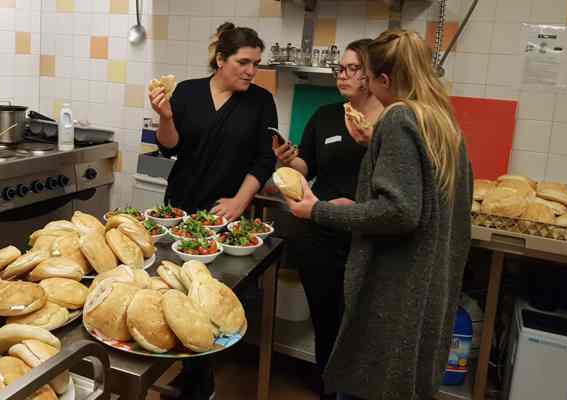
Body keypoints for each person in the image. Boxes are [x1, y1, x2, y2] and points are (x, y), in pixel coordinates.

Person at [283, 29, 473, 400]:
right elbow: (431, 195)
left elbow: (400, 212)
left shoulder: (398, 117)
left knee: (363, 383)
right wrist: (374, 146)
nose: (364, 84)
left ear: (385, 79)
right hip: (427, 280)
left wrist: (319, 210)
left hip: (395, 282)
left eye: (367, 77)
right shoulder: (440, 117)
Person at [149, 23, 277, 399]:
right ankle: (189, 371)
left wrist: (240, 201)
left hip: (224, 216)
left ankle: (199, 382)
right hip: (180, 211)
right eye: (243, 62)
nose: (251, 71)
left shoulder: (261, 101)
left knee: (210, 299)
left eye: (256, 64)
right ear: (221, 60)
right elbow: (170, 147)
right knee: (175, 291)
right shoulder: (188, 92)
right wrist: (165, 116)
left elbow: (264, 158)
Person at [271, 38, 383, 400]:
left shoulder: (390, 120)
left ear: (371, 75)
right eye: (340, 68)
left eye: (353, 69)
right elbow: (308, 167)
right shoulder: (325, 115)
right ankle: (328, 389)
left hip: (367, 238)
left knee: (363, 326)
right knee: (326, 320)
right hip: (320, 234)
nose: (342, 75)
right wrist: (289, 158)